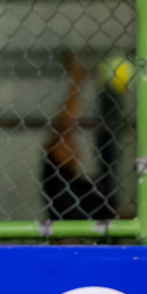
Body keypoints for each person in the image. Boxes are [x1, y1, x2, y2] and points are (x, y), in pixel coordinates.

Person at [41, 52, 126, 221]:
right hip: (90, 229)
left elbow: (66, 129)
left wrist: (75, 83)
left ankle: (109, 94)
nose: (76, 150)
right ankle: (109, 94)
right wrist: (75, 82)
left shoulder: (64, 188)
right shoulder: (58, 184)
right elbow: (65, 129)